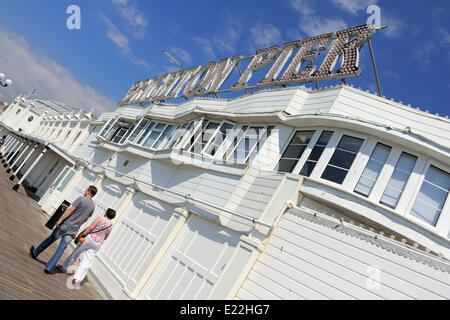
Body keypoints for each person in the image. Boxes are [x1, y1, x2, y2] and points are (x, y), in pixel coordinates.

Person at [29, 186, 97, 274]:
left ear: (88, 192)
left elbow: (71, 210)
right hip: (74, 230)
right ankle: (49, 268)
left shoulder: (81, 199)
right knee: (61, 249)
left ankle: (35, 253)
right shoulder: (92, 206)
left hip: (65, 225)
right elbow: (86, 219)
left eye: (86, 189)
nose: (84, 190)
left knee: (50, 240)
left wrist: (60, 220)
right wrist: (77, 224)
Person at [58, 208, 116, 287]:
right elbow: (105, 237)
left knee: (76, 253)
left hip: (90, 238)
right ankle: (77, 280)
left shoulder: (100, 218)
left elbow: (90, 228)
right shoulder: (110, 225)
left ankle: (63, 267)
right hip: (98, 243)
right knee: (87, 261)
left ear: (106, 213)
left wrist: (81, 235)